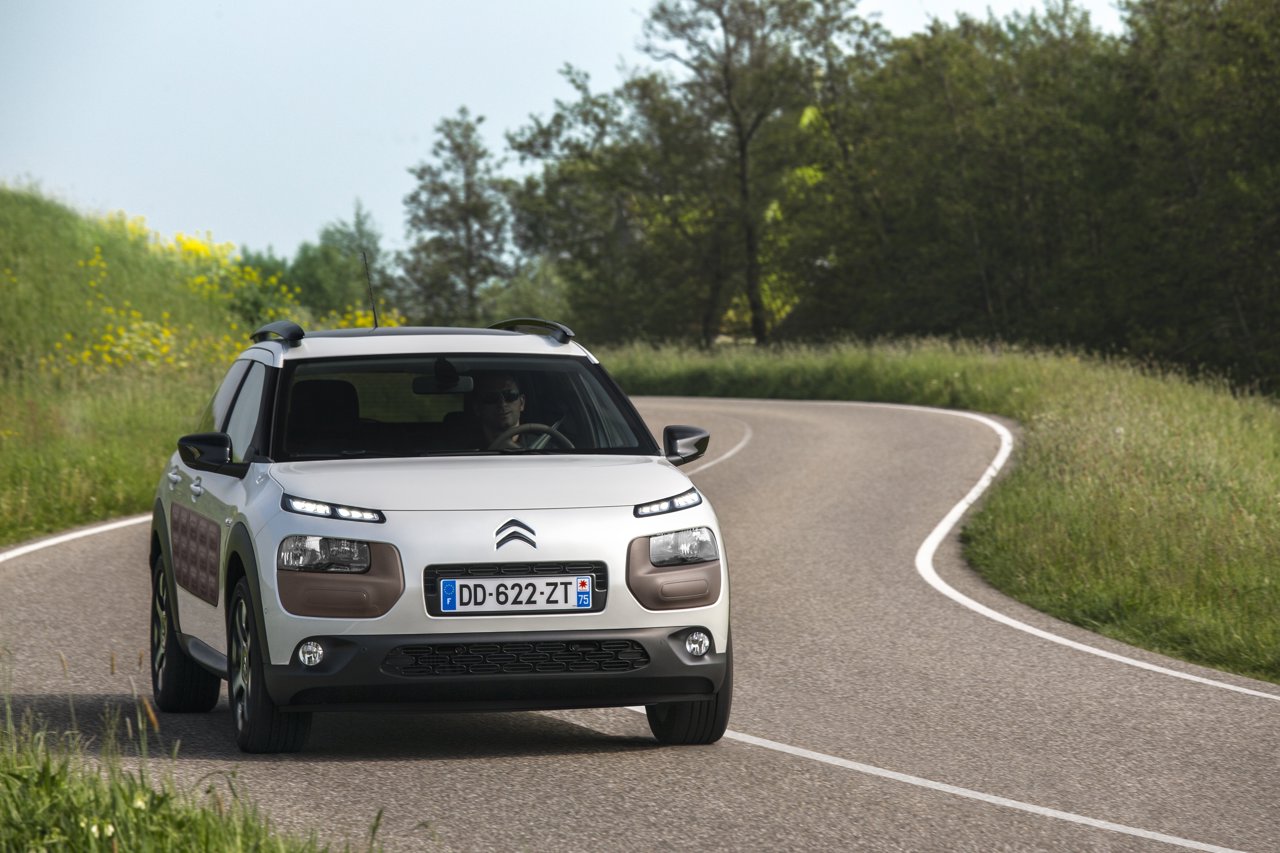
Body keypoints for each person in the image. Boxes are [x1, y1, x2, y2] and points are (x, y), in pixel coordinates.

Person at [472, 372, 526, 449]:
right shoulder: (457, 452)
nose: (502, 403)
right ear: (477, 408)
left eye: (510, 395)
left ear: (522, 403)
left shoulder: (545, 447)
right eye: (491, 397)